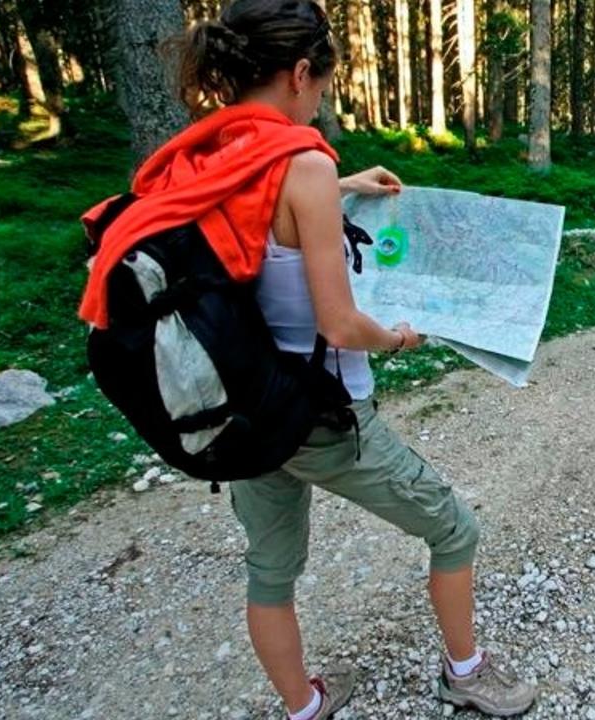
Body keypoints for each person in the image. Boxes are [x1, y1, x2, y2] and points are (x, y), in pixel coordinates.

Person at [146, 2, 536, 717]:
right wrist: (400, 337)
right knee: (454, 529)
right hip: (320, 414)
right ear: (300, 73)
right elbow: (339, 323)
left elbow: (260, 229)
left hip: (242, 407)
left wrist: (344, 187)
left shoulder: (207, 154)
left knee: (270, 571)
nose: (319, 101)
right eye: (321, 86)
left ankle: (303, 706)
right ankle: (465, 674)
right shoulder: (302, 165)